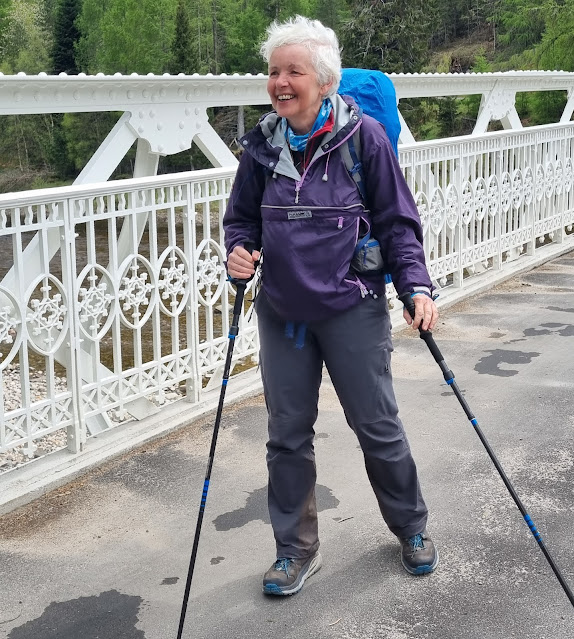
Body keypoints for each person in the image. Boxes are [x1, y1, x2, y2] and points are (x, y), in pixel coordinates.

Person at [223, 15, 439, 597]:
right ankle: (295, 550)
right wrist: (238, 251)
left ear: (324, 82)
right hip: (283, 312)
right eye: (274, 71)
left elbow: (398, 223)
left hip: (351, 308)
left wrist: (416, 287)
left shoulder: (363, 139)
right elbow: (241, 219)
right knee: (286, 436)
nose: (280, 82)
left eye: (294, 71)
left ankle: (411, 527)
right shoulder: (261, 145)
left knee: (378, 426)